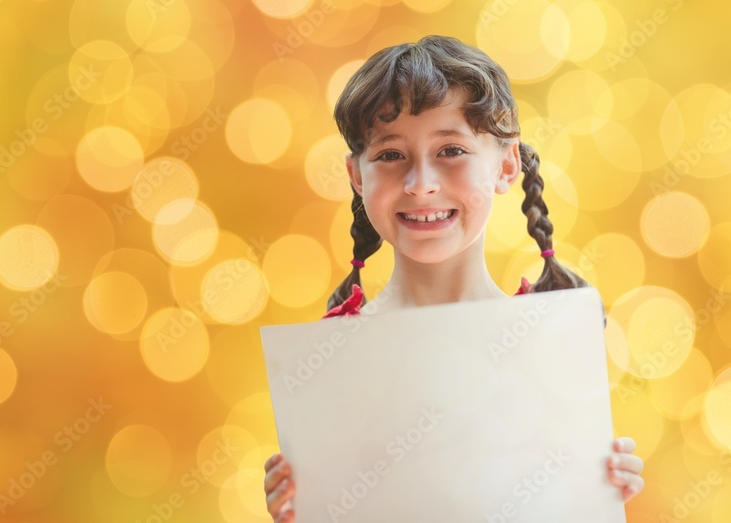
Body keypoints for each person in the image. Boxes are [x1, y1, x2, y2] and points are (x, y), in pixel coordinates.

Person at [263, 34, 645, 522]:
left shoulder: (550, 343)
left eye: (451, 150)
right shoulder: (333, 357)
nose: (421, 183)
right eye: (390, 155)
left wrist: (596, 489)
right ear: (357, 176)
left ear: (507, 166)